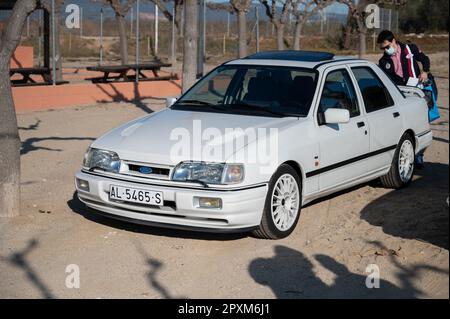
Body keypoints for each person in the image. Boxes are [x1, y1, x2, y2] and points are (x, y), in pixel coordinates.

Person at [377, 30, 433, 169]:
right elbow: (388, 79)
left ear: (394, 41)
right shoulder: (383, 61)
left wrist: (425, 71)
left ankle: (419, 155)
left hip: (417, 91)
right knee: (407, 125)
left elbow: (424, 59)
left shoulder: (410, 49)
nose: (385, 50)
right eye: (383, 48)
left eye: (386, 46)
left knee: (420, 123)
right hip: (400, 96)